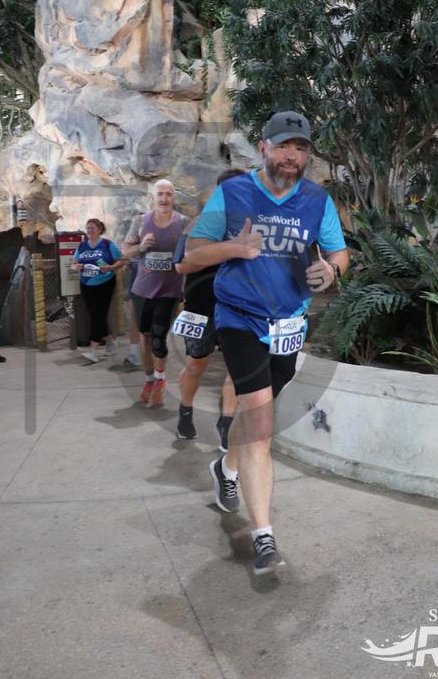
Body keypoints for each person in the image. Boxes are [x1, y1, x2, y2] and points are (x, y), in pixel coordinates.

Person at [186, 111, 349, 575]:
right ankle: (263, 537)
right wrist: (235, 249)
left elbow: (338, 252)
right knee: (260, 425)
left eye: (300, 147)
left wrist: (332, 269)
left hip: (289, 325)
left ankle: (226, 469)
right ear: (263, 148)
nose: (291, 155)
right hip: (239, 319)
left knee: (254, 416)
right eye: (282, 146)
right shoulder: (233, 193)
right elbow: (193, 252)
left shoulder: (317, 201)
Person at [176, 169, 245, 445]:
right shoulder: (197, 224)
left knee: (237, 366)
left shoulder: (252, 225)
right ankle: (185, 411)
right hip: (200, 305)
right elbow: (181, 265)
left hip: (238, 307)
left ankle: (226, 422)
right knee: (196, 363)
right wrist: (225, 250)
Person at [123, 179, 186, 409]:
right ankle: (149, 379)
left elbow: (192, 252)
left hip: (169, 290)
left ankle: (160, 379)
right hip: (142, 289)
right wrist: (141, 247)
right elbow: (126, 252)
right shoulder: (140, 221)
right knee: (145, 336)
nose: (164, 198)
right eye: (160, 194)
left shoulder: (182, 223)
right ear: (153, 197)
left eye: (168, 194)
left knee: (158, 336)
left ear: (173, 197)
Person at [72, 219, 123, 363]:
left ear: (100, 230)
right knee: (96, 315)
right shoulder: (82, 245)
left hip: (105, 283)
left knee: (97, 315)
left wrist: (111, 267)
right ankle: (110, 342)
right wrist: (76, 267)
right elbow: (74, 263)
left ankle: (93, 351)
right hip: (86, 284)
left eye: (93, 228)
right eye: (88, 228)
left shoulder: (108, 244)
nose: (90, 231)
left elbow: (121, 261)